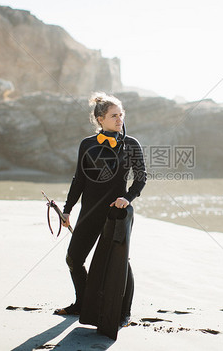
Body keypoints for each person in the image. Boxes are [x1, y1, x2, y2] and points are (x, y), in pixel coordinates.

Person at [54, 92, 146, 319]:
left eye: (121, 114)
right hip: (89, 212)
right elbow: (79, 180)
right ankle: (82, 304)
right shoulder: (87, 144)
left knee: (120, 262)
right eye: (114, 115)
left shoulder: (131, 144)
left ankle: (123, 313)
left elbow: (142, 177)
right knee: (74, 259)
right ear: (100, 119)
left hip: (117, 213)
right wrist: (67, 209)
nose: (119, 119)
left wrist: (128, 198)